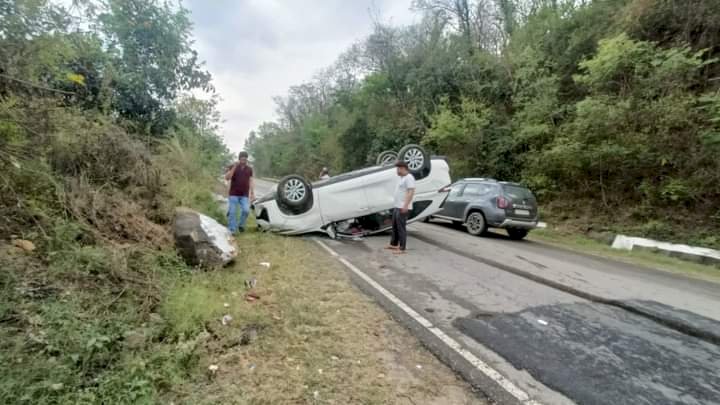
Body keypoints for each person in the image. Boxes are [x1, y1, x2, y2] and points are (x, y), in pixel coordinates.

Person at [385, 160, 415, 254]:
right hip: (397, 206)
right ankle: (394, 244)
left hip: (403, 207)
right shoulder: (402, 177)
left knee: (401, 228)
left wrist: (405, 205)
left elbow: (411, 192)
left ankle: (402, 248)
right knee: (395, 226)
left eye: (398, 168)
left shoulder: (409, 178)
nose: (397, 170)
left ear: (403, 168)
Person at [225, 151, 255, 233]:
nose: (243, 161)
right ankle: (232, 230)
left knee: (246, 210)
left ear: (246, 159)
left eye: (245, 159)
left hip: (244, 195)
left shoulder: (249, 169)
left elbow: (251, 181)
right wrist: (234, 167)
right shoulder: (233, 167)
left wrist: (252, 193)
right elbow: (227, 178)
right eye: (242, 159)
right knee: (232, 212)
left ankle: (241, 225)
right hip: (233, 194)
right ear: (239, 159)